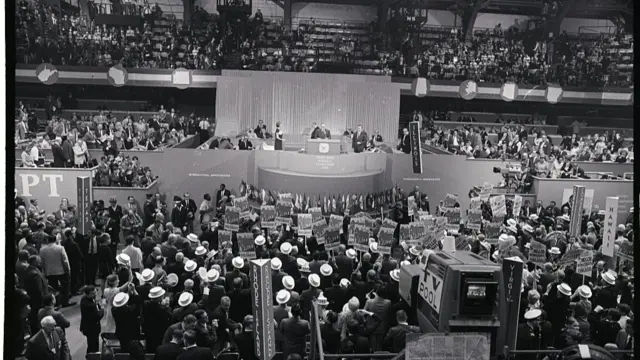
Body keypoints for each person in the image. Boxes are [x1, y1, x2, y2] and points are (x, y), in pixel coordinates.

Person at [79, 285, 105, 354]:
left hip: (88, 325)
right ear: (87, 294)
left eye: (95, 292)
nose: (95, 294)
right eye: (93, 293)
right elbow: (98, 316)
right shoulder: (89, 305)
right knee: (93, 346)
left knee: (92, 344)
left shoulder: (85, 298)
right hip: (91, 328)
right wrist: (102, 308)